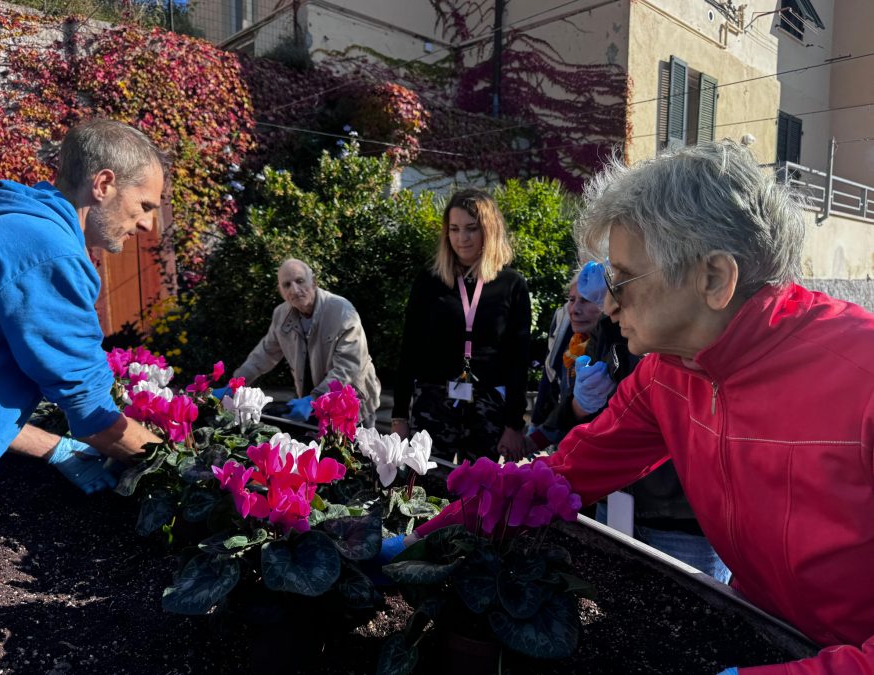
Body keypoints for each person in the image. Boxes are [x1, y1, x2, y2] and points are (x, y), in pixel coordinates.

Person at [400, 141, 874, 673]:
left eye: (622, 279)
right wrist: (416, 541)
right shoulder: (669, 371)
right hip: (760, 633)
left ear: (715, 278)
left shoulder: (864, 377)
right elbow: (562, 473)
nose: (607, 303)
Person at [0, 119, 166, 495]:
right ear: (104, 184)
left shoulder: (18, 230)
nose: (146, 224)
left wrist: (53, 448)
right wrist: (182, 467)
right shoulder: (47, 252)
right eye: (144, 205)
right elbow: (90, 408)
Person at [529, 265, 730, 583]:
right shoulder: (610, 325)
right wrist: (580, 403)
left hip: (686, 522)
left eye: (625, 270)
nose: (607, 305)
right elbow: (602, 419)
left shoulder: (706, 324)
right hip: (619, 502)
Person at [392, 188, 531, 463]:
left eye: (471, 229)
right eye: (454, 229)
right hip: (433, 400)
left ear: (488, 231)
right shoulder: (429, 281)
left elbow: (519, 359)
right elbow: (409, 349)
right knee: (426, 489)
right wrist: (399, 416)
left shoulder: (512, 284)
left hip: (487, 403)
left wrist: (514, 424)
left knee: (478, 496)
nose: (461, 239)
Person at [232, 258, 381, 427]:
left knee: (358, 452)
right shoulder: (281, 315)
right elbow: (264, 354)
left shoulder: (342, 311)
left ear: (314, 282)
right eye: (287, 285)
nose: (295, 290)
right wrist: (235, 383)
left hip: (353, 405)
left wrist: (314, 398)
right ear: (280, 291)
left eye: (300, 281)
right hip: (312, 402)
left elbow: (349, 368)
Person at [526, 268, 604, 451]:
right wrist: (538, 431)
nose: (575, 310)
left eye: (585, 301)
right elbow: (550, 379)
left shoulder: (617, 350)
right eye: (571, 300)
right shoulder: (573, 344)